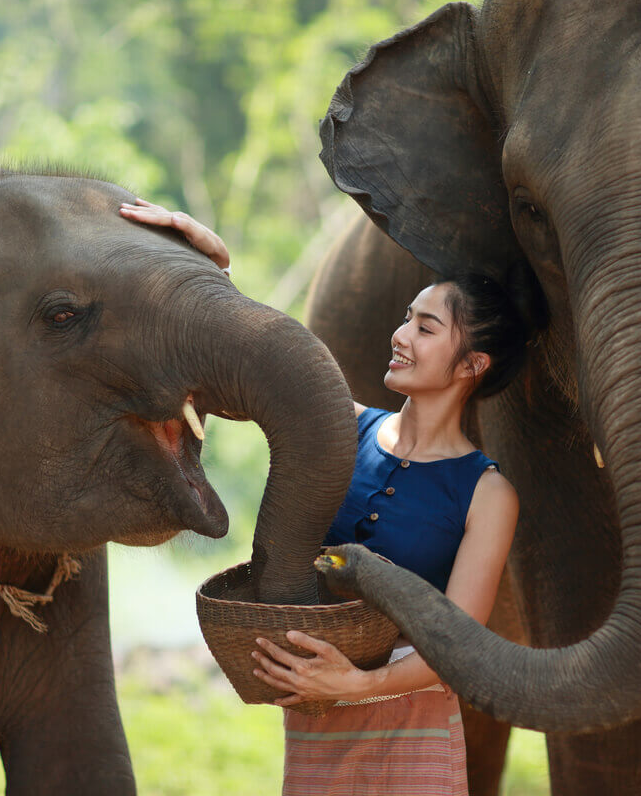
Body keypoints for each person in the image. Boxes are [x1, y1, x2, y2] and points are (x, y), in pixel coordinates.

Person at [121, 199, 526, 796]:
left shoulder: (487, 494)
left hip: (411, 740)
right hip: (316, 726)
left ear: (473, 364)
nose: (400, 335)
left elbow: (457, 649)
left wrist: (353, 686)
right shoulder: (343, 427)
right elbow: (257, 368)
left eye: (426, 327)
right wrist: (215, 266)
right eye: (406, 318)